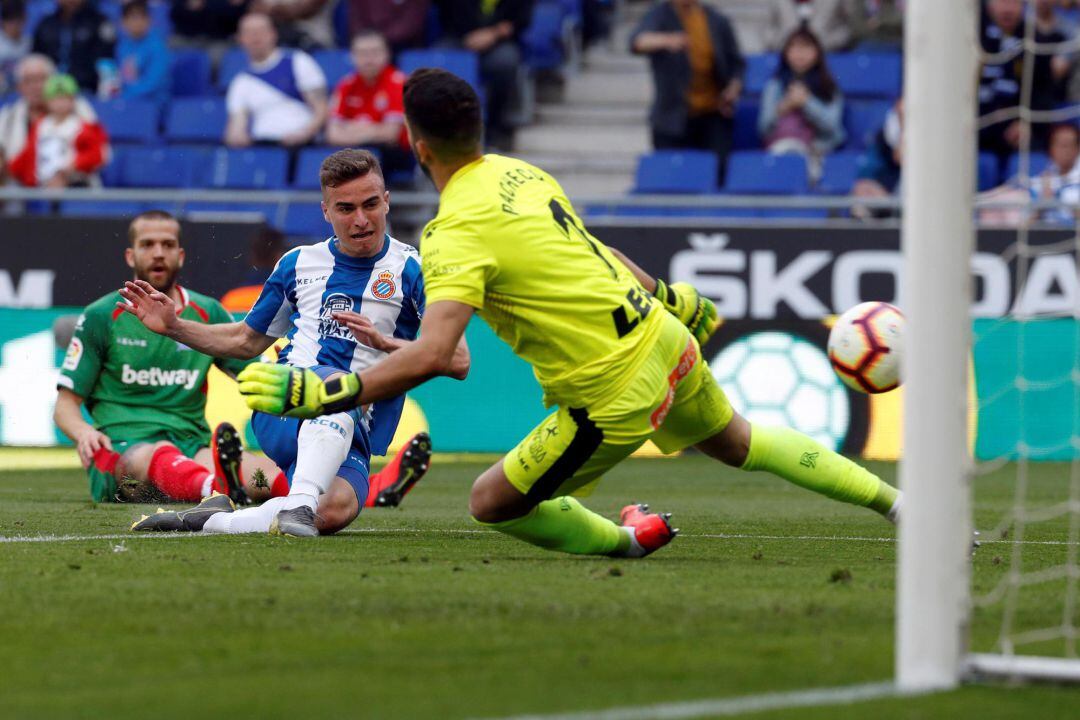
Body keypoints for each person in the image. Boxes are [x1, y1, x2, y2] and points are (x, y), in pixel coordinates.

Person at [236, 68, 903, 554]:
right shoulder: (519, 172)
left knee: (491, 502)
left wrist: (329, 389)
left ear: (415, 146)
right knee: (738, 441)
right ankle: (899, 503)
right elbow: (597, 249)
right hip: (662, 336)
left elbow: (439, 352)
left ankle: (628, 542)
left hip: (610, 391)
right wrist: (668, 296)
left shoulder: (454, 232)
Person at [121, 149, 466, 536]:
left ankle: (213, 520)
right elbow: (245, 340)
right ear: (325, 211)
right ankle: (300, 504)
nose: (361, 220)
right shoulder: (298, 263)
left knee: (335, 509)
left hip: (355, 427)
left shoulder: (414, 270)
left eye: (370, 204)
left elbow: (457, 360)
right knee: (338, 391)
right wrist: (174, 326)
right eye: (345, 208)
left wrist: (386, 345)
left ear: (386, 201)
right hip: (287, 400)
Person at [55, 210, 285, 505]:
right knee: (155, 454)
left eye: (167, 245)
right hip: (124, 452)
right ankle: (213, 490)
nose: (158, 253)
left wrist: (284, 375)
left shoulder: (208, 313)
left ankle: (347, 493)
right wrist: (84, 432)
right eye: (148, 245)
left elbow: (253, 374)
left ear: (181, 255)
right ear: (130, 255)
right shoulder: (101, 315)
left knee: (260, 474)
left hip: (193, 445)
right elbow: (64, 406)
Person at [630, 0, 744, 186]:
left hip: (712, 111)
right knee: (672, 177)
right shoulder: (660, 15)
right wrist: (667, 40)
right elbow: (637, 42)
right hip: (672, 115)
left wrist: (734, 87)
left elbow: (736, 64)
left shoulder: (716, 19)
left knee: (718, 172)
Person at [434, 0, 534, 151]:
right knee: (437, 63)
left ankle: (497, 129)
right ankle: (442, 134)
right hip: (459, 38)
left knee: (505, 63)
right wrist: (469, 36)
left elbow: (520, 21)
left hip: (499, 42)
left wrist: (493, 33)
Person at [224, 12, 327, 148]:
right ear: (240, 38)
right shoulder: (241, 81)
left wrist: (305, 133)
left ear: (273, 34)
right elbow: (236, 125)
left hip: (302, 145)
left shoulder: (297, 61)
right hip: (262, 148)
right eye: (249, 32)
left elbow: (322, 109)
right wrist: (237, 137)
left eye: (260, 31)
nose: (255, 37)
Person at [757, 27, 845, 180]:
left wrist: (806, 102)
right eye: (795, 48)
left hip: (817, 154)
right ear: (786, 53)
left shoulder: (829, 87)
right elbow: (763, 129)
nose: (800, 54)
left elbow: (834, 130)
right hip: (779, 152)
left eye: (806, 48)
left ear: (817, 53)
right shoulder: (774, 86)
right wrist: (783, 107)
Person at [326, 30, 412, 178]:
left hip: (395, 156)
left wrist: (353, 128)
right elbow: (332, 134)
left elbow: (390, 134)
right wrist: (372, 130)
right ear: (352, 56)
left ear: (387, 54)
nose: (369, 59)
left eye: (375, 52)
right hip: (355, 154)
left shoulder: (398, 83)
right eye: (362, 53)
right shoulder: (346, 84)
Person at [0, 54, 96, 180]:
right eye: (28, 80)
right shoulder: (8, 116)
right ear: (19, 87)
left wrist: (67, 171)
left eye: (41, 79)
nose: (35, 87)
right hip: (20, 187)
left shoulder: (79, 108)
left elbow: (99, 152)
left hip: (74, 186)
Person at [6, 73, 108, 187]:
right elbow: (28, 153)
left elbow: (97, 154)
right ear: (47, 102)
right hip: (41, 185)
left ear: (73, 100)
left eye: (65, 98)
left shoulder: (83, 126)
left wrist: (73, 166)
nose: (60, 103)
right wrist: (9, 169)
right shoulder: (41, 125)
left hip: (74, 183)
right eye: (55, 99)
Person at [31, 0, 115, 92]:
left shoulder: (99, 22)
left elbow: (106, 61)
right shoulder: (45, 24)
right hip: (49, 91)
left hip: (87, 90)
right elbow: (36, 58)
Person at [851, 97, 902, 219]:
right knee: (859, 204)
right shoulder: (883, 137)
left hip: (908, 197)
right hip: (885, 194)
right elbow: (865, 177)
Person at [116, 0, 171, 106]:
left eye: (142, 17)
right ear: (123, 22)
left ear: (149, 20)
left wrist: (124, 97)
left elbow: (153, 84)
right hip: (129, 101)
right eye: (133, 18)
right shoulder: (122, 46)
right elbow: (124, 77)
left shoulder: (158, 47)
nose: (138, 22)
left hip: (155, 103)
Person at [765, 0, 852, 52]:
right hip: (782, 53)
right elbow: (767, 27)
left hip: (829, 53)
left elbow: (848, 26)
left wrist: (819, 46)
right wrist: (789, 46)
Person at [347, 0, 430, 53]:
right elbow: (357, 18)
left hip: (403, 42)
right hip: (369, 36)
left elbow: (411, 21)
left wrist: (382, 38)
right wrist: (366, 36)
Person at [0, 0, 30, 96]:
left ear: (24, 20)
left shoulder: (29, 43)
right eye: (10, 21)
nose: (14, 25)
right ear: (3, 21)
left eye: (18, 21)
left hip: (22, 93)